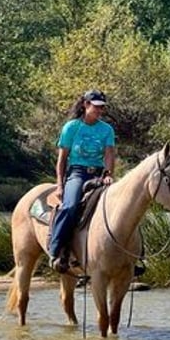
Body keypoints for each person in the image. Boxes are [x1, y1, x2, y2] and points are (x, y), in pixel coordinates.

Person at [48, 89, 116, 272]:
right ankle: (56, 250)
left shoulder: (107, 130)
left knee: (123, 204)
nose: (100, 111)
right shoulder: (71, 127)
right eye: (96, 107)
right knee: (70, 206)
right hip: (77, 173)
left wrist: (109, 174)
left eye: (102, 108)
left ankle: (134, 256)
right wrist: (60, 185)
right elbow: (62, 160)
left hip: (99, 174)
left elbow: (109, 154)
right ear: (86, 105)